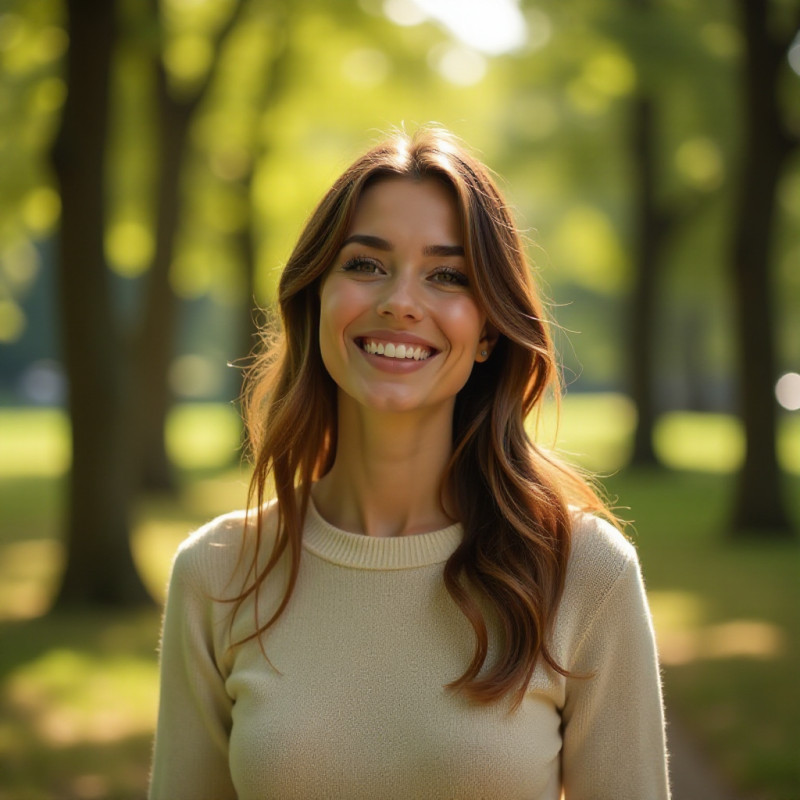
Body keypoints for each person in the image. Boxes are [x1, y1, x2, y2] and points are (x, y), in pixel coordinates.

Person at [148, 127, 670, 800]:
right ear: (316, 299)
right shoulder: (218, 571)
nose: (400, 300)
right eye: (365, 264)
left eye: (447, 275)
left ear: (487, 331)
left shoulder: (584, 574)